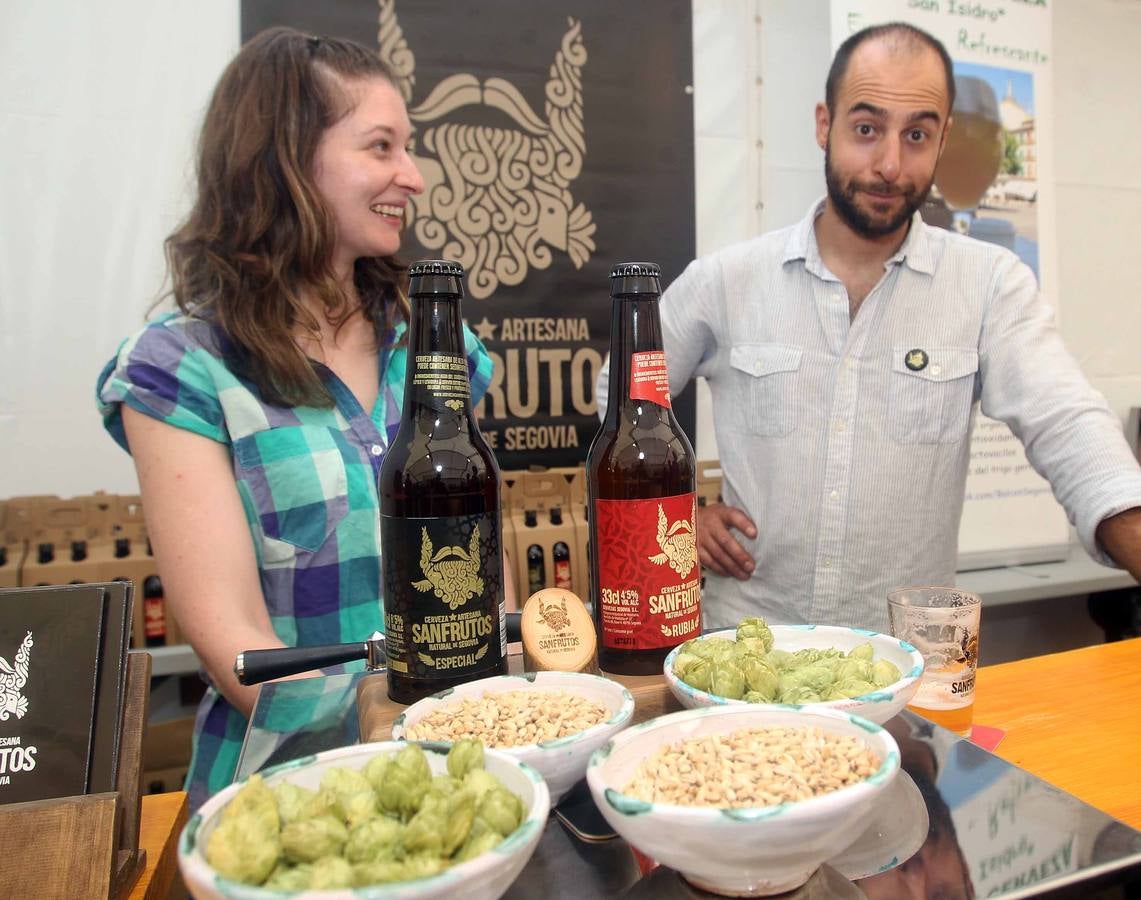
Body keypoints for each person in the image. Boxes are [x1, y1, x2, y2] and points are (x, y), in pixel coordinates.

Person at [599, 22, 1141, 632]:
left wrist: (1129, 524)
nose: (889, 164)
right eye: (866, 128)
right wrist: (674, 516)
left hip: (909, 664)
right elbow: (620, 393)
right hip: (750, 658)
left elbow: (1066, 421)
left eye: (917, 135)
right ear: (824, 125)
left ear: (943, 141)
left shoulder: (989, 285)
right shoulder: (729, 279)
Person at [96, 27, 496, 810]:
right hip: (297, 795)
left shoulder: (435, 345)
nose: (411, 177)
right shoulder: (181, 368)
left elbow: (486, 582)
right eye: (380, 147)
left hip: (463, 769)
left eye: (407, 148)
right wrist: (402, 746)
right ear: (282, 158)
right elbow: (235, 645)